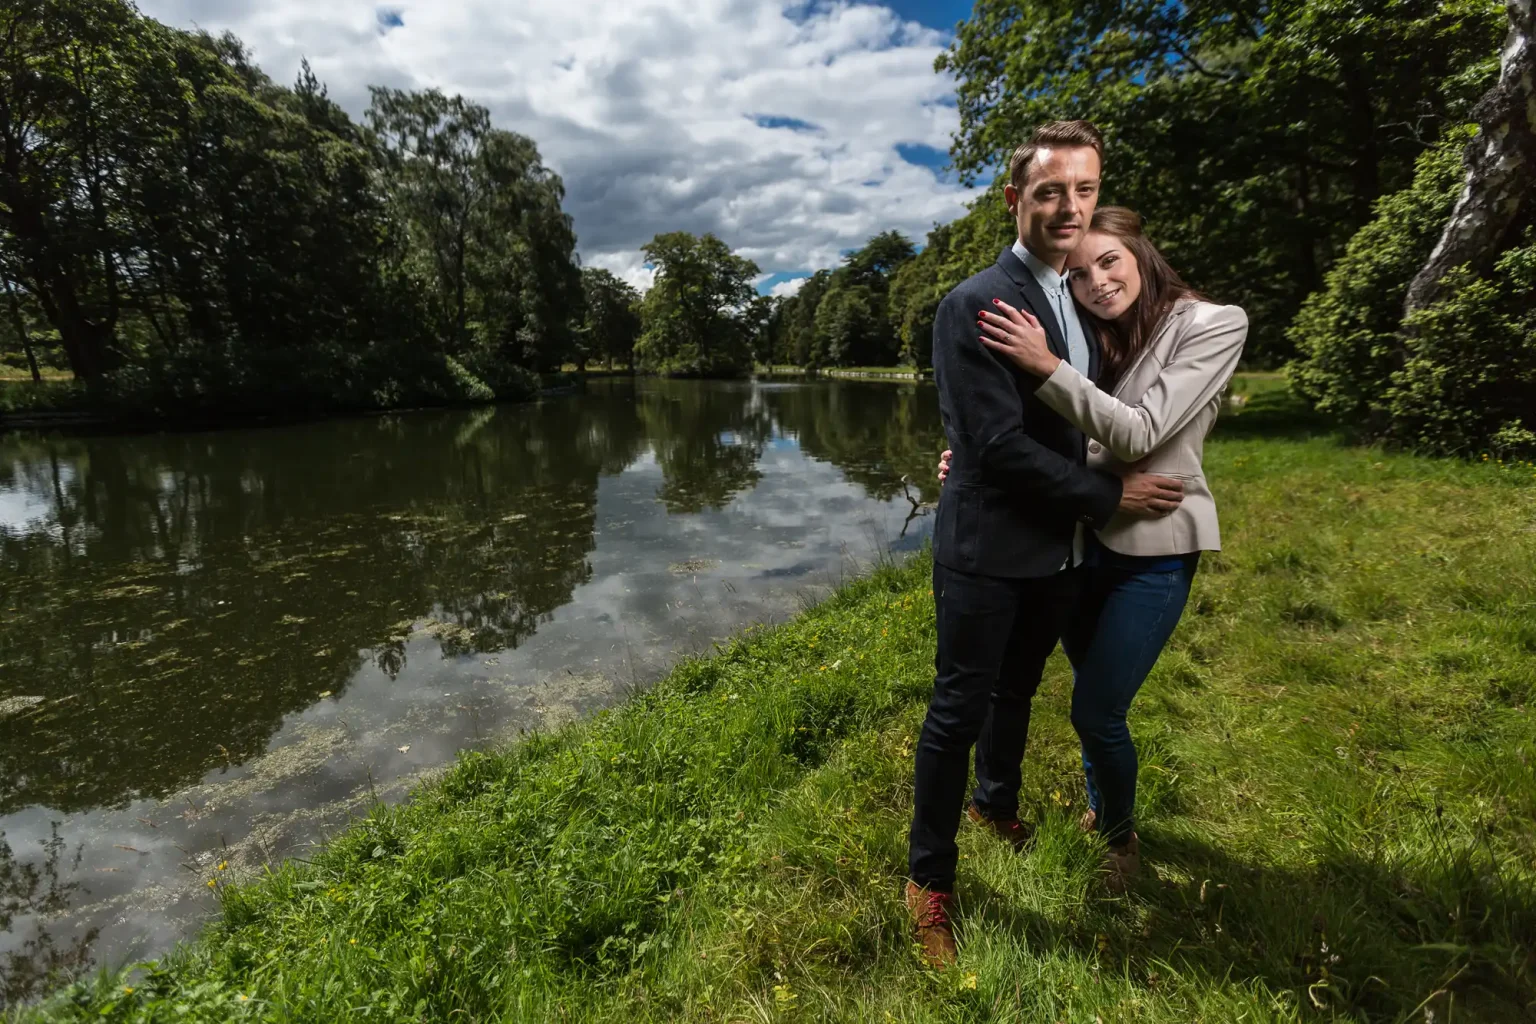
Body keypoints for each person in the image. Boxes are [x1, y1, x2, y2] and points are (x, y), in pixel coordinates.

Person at [907, 120, 1189, 968]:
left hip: (1062, 554)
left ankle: (997, 805)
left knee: (1018, 692)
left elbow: (1084, 417)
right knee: (957, 711)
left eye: (1086, 190)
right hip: (989, 550)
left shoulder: (1080, 295)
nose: (1071, 208)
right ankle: (931, 883)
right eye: (1051, 192)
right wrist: (1110, 494)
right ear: (1014, 200)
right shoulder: (974, 301)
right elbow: (996, 447)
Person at [943, 204, 1247, 896]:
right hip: (1085, 543)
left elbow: (1138, 433)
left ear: (1140, 252)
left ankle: (1118, 839)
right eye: (1078, 274)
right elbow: (1065, 439)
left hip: (1156, 551)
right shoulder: (1097, 333)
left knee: (1096, 710)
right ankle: (1099, 806)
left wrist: (1046, 365)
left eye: (1109, 260)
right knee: (1090, 700)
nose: (1098, 281)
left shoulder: (1213, 323)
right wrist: (979, 462)